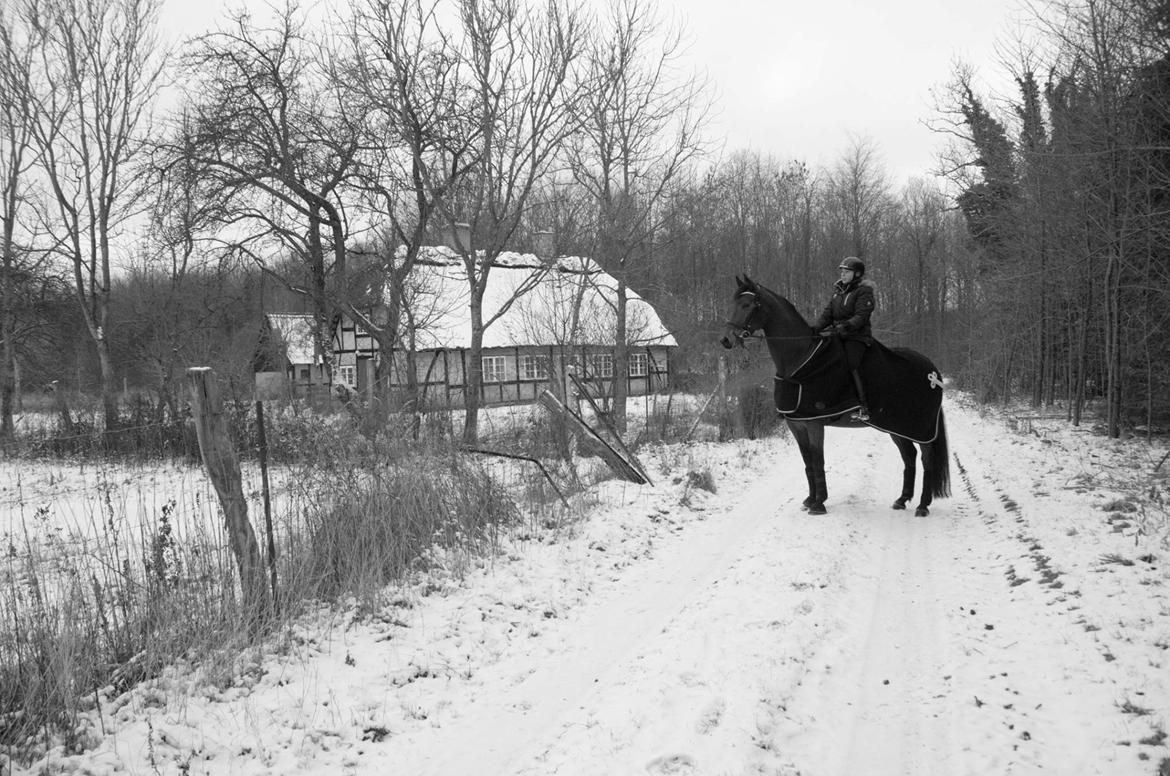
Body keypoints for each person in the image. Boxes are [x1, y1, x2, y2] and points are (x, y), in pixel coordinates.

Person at [812, 256, 874, 421]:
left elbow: (862, 315)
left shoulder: (864, 291)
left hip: (857, 336)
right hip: (837, 335)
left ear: (857, 274)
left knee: (851, 363)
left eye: (847, 271)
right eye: (842, 271)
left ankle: (863, 406)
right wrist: (815, 329)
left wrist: (846, 326)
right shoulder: (838, 293)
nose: (843, 274)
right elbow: (827, 315)